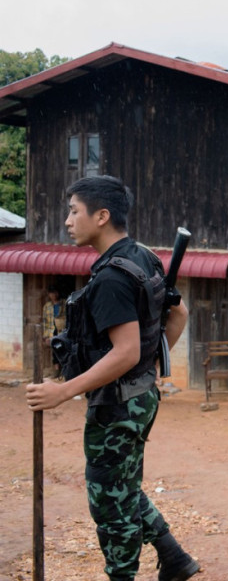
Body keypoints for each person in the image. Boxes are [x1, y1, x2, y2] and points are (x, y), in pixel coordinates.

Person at [25, 175, 197, 581]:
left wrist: (63, 391)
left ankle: (123, 575)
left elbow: (126, 351)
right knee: (121, 486)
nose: (67, 220)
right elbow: (179, 314)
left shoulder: (110, 279)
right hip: (138, 397)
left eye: (73, 211)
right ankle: (174, 558)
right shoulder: (142, 257)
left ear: (101, 216)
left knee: (108, 501)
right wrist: (148, 374)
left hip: (118, 406)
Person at [42, 285, 66, 375]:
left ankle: (64, 369)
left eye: (55, 293)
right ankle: (56, 371)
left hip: (62, 330)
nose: (53, 295)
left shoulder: (63, 303)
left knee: (63, 349)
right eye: (51, 293)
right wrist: (45, 335)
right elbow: (45, 322)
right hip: (52, 331)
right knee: (54, 351)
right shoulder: (47, 306)